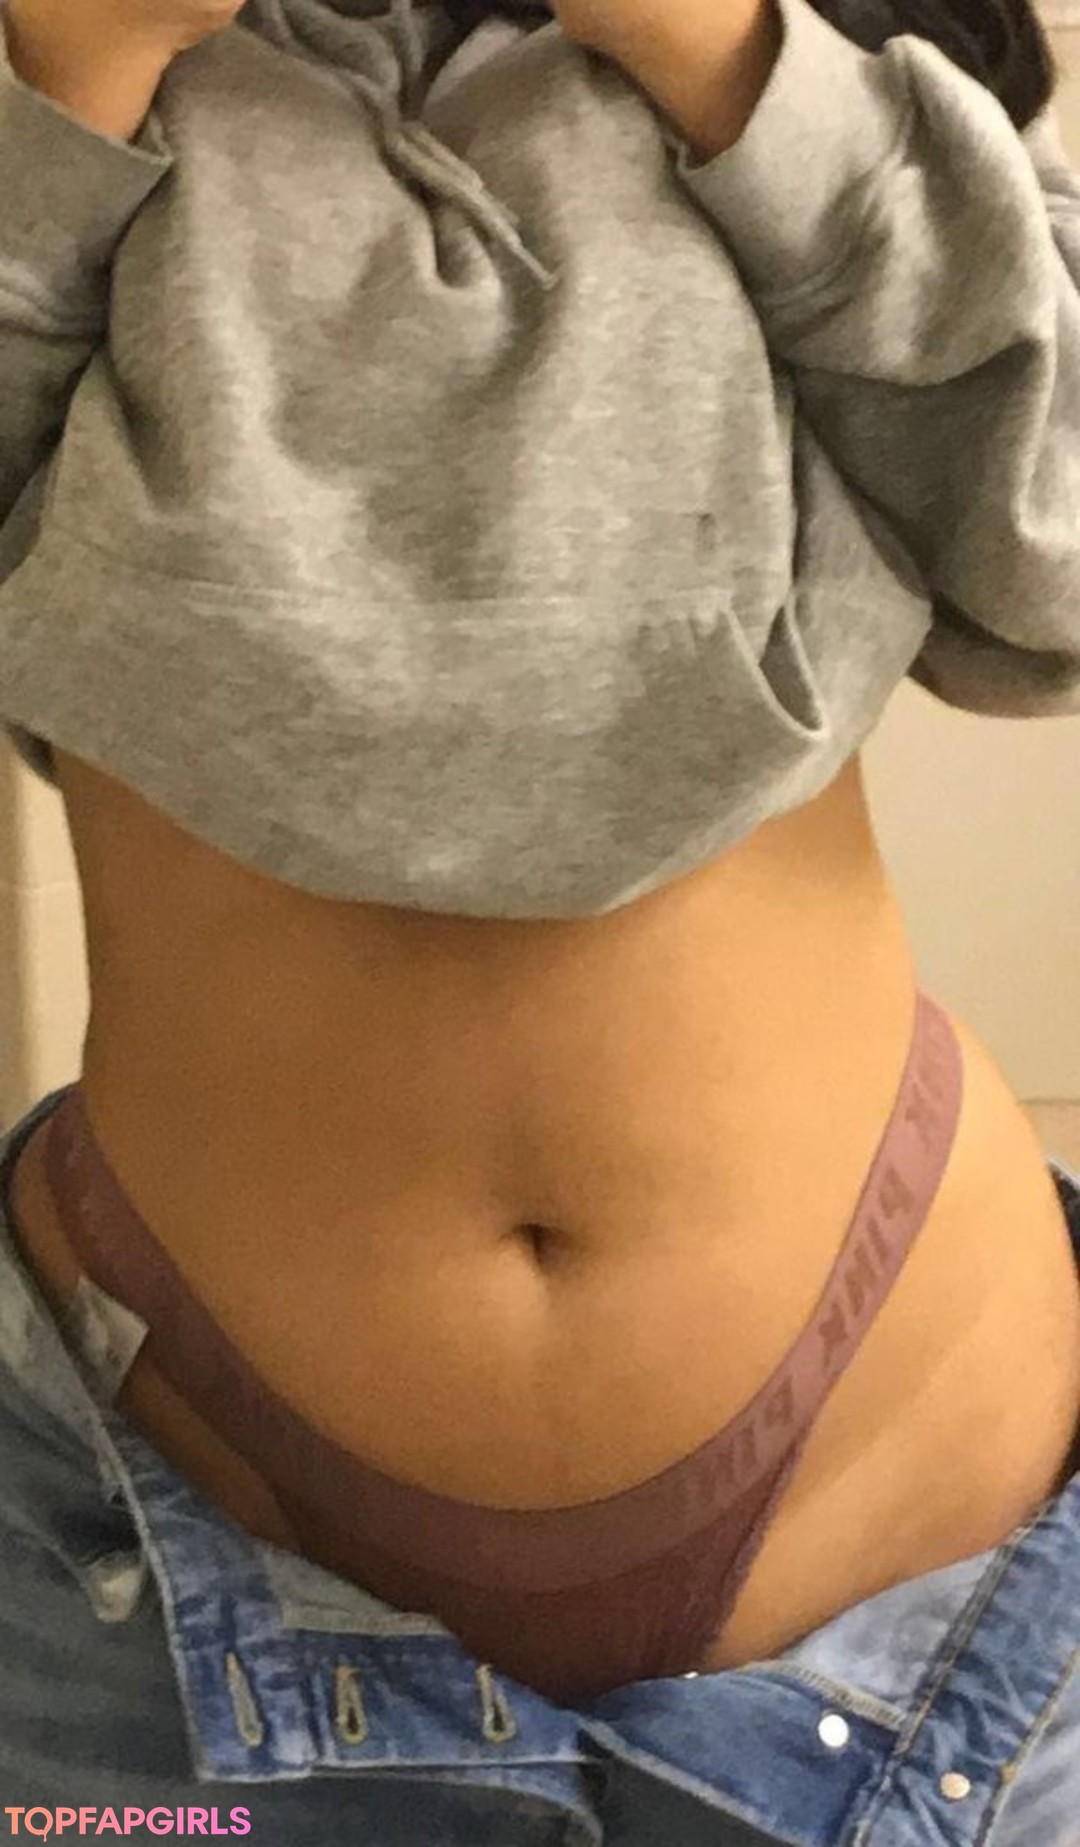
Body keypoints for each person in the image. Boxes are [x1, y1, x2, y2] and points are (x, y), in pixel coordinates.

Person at [0, 0, 1078, 1837]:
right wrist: (67, 92)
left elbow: (1052, 572)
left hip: (919, 1531)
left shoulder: (828, 47)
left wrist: (729, 60)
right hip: (158, 1548)